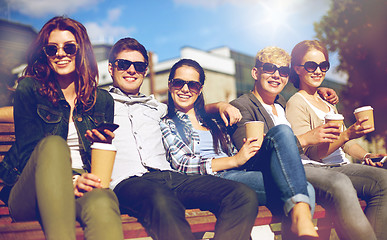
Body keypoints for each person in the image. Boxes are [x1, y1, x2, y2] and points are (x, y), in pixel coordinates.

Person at [106, 37, 259, 240]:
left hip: (170, 176)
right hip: (129, 182)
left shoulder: (156, 107)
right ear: (110, 68)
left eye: (139, 66)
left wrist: (220, 105)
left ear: (145, 71)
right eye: (124, 64)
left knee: (242, 195)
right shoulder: (98, 104)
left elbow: (191, 108)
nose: (131, 70)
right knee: (162, 200)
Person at [160, 58, 318, 239]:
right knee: (304, 191)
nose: (186, 89)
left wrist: (243, 151)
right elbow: (182, 163)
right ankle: (303, 226)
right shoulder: (168, 123)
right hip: (209, 181)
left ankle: (302, 224)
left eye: (193, 85)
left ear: (200, 88)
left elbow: (231, 153)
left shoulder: (213, 122)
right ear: (170, 84)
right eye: (179, 83)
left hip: (236, 174)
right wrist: (235, 160)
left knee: (282, 133)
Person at [0, 17, 124, 240]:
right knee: (54, 145)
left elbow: (100, 164)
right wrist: (71, 182)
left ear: (82, 51)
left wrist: (101, 147)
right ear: (44, 54)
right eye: (51, 49)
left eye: (69, 47)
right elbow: (28, 154)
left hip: (83, 184)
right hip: (30, 190)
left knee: (103, 202)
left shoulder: (103, 100)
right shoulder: (29, 89)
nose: (60, 54)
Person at [286, 40, 387, 240]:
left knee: (384, 178)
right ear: (297, 69)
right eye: (311, 66)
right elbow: (313, 153)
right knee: (381, 182)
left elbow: (345, 143)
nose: (318, 71)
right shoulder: (296, 103)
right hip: (320, 169)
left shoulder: (327, 103)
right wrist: (347, 133)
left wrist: (366, 154)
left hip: (340, 166)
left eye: (323, 66)